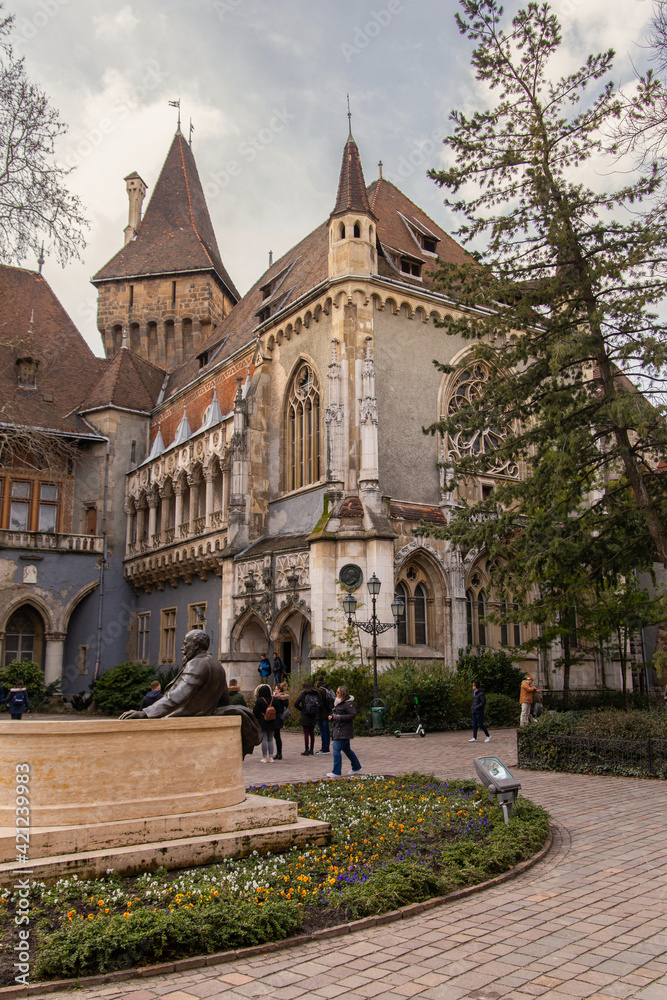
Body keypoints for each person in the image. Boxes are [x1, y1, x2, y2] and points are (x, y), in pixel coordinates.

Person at [119, 629, 262, 758]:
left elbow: (177, 696)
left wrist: (147, 713)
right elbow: (224, 700)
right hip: (204, 720)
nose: (182, 648)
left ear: (196, 645)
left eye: (185, 644)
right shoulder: (217, 665)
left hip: (187, 723)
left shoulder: (197, 663)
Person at [326, 685, 361, 778]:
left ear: (343, 693)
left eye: (338, 692)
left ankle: (336, 772)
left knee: (336, 748)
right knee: (346, 749)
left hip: (343, 730)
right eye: (336, 691)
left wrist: (337, 717)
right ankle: (356, 766)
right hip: (339, 728)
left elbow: (352, 715)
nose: (336, 693)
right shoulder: (338, 703)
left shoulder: (348, 704)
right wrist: (333, 717)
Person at [294, 680, 320, 755]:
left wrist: (302, 709)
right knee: (312, 732)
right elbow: (319, 704)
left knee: (306, 733)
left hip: (305, 715)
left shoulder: (303, 694)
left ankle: (306, 749)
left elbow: (296, 704)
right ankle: (312, 749)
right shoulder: (316, 694)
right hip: (313, 715)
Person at [253, 683, 275, 763]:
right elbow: (279, 710)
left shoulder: (260, 700)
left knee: (264, 739)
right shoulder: (274, 699)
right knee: (270, 739)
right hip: (272, 721)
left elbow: (255, 711)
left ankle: (265, 757)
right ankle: (271, 757)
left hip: (262, 721)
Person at [315, 675, 335, 754]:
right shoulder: (328, 688)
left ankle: (325, 748)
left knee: (323, 731)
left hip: (322, 713)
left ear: (318, 681)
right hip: (328, 711)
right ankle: (327, 747)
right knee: (327, 730)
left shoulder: (320, 690)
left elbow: (319, 702)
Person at [272, 680, 290, 760]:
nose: (275, 690)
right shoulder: (285, 698)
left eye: (276, 689)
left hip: (276, 717)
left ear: (279, 690)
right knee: (277, 736)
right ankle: (279, 753)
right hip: (280, 717)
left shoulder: (276, 698)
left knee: (276, 736)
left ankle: (278, 753)